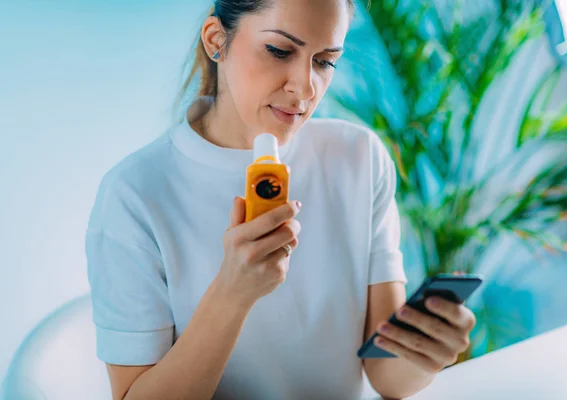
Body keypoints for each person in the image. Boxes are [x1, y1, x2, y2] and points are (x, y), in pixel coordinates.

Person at [85, 0, 477, 399]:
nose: (305, 87)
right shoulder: (134, 195)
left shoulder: (359, 158)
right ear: (216, 39)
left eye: (325, 61)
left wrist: (427, 352)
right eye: (280, 51)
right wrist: (232, 293)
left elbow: (386, 377)